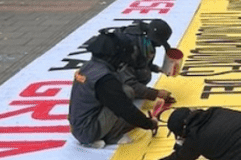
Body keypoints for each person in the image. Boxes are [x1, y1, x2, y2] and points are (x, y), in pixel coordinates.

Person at [69, 20, 175, 148]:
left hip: (78, 124)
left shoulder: (90, 66)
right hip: (88, 130)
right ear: (113, 56)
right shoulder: (105, 80)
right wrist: (149, 123)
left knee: (124, 93)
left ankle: (101, 132)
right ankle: (111, 136)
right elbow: (125, 109)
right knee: (126, 93)